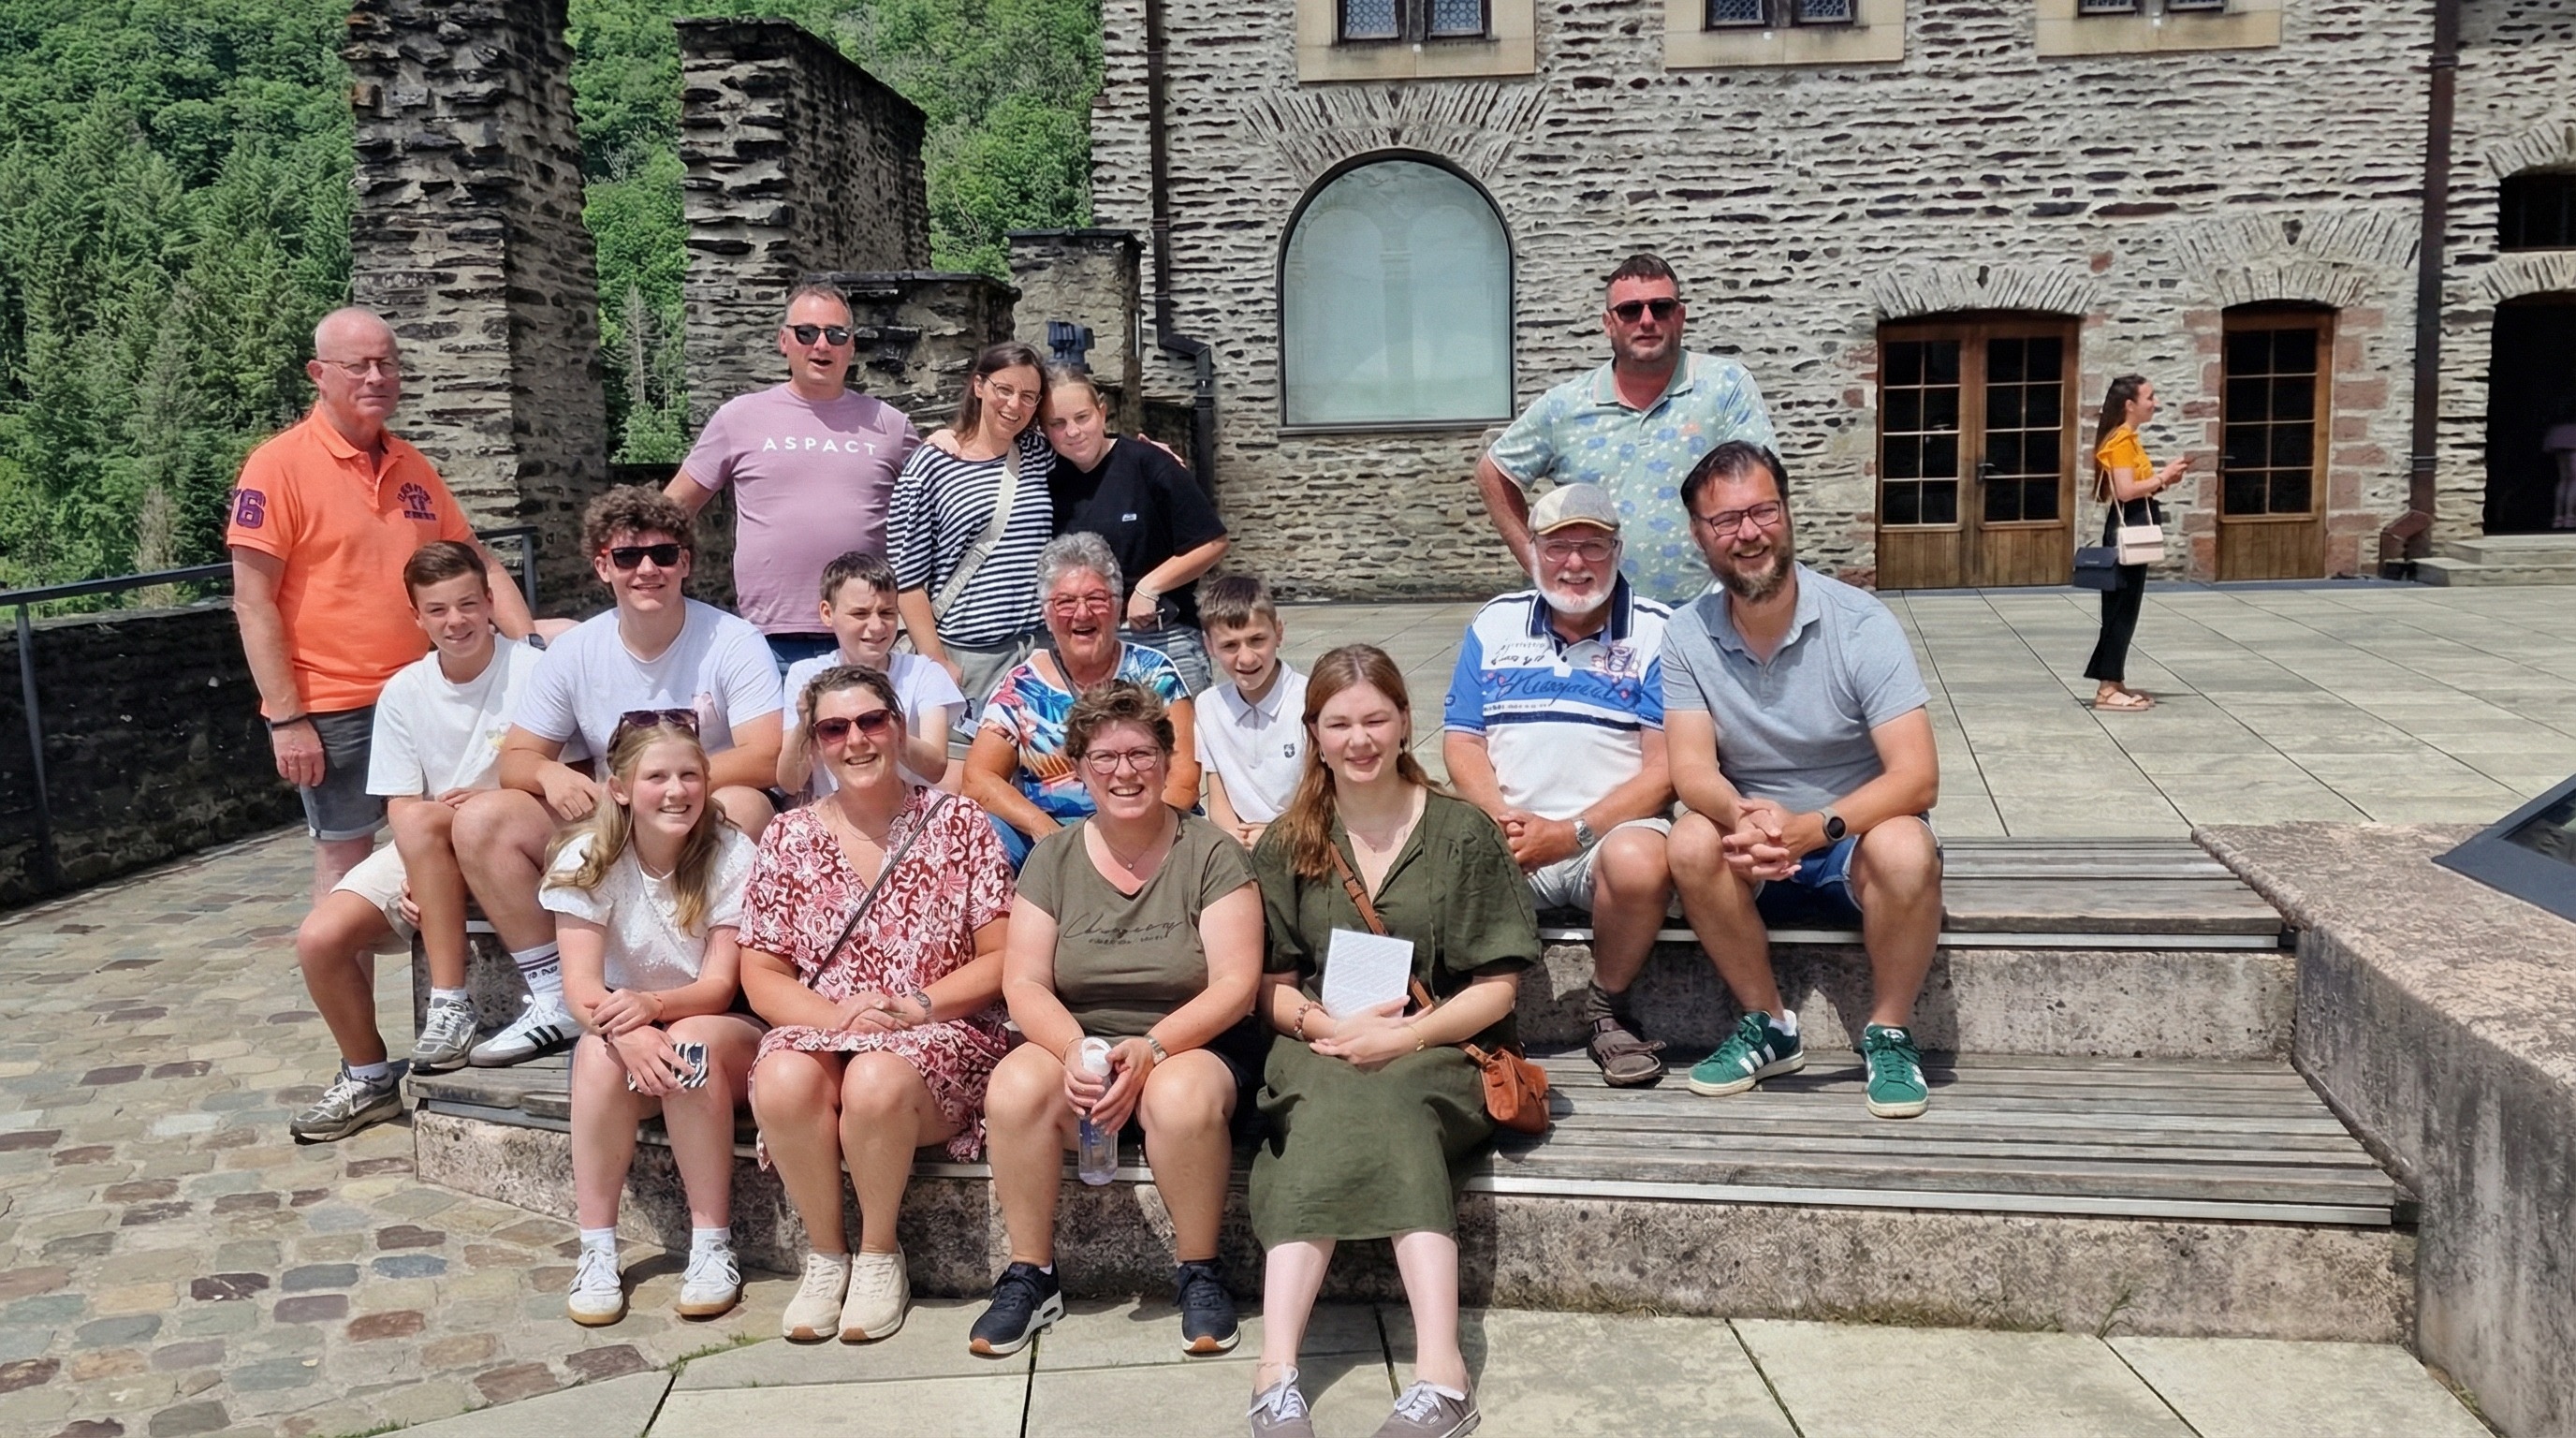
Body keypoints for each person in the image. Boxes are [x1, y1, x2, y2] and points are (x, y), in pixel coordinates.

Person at [1245, 646, 1537, 1438]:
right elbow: (1270, 985)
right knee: (1325, 1098)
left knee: (1396, 1100)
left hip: (1440, 1043)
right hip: (1320, 1038)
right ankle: (1276, 1372)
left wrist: (1405, 1038)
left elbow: (1497, 990)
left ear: (1406, 722)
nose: (1360, 739)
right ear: (1314, 733)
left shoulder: (1462, 832)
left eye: (1376, 719)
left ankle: (1442, 1373)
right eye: (1340, 723)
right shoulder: (1289, 842)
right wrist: (1334, 1029)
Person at [970, 682, 1265, 1358]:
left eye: (1140, 755)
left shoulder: (1211, 853)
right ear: (1077, 768)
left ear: (1166, 761)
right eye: (1104, 758)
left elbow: (1236, 984)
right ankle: (1030, 1275)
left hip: (1192, 1040)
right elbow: (1023, 980)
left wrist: (1153, 1047)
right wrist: (1075, 1048)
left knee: (1180, 1095)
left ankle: (1199, 1270)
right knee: (1013, 1088)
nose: (1124, 772)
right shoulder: (1052, 859)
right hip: (1082, 1038)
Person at [452, 487, 783, 1069]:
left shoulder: (733, 640)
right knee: (482, 819)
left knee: (746, 806)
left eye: (663, 554)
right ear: (603, 566)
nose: (647, 569)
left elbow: (766, 754)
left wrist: (658, 786)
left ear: (685, 561)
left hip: (693, 816)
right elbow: (517, 759)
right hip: (613, 815)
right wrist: (550, 772)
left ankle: (719, 982)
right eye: (628, 557)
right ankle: (557, 996)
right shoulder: (576, 651)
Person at [1661, 442, 1943, 1122]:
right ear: (1699, 534)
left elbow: (1917, 777)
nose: (1749, 533)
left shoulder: (1861, 623)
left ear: (1787, 513)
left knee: (1908, 847)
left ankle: (1889, 1031)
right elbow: (1691, 768)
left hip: (1854, 840)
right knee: (1689, 841)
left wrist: (1814, 829)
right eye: (1726, 520)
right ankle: (1770, 1025)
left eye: (1763, 511)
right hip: (1755, 847)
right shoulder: (1686, 634)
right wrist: (1742, 817)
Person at [738, 666, 1013, 1343]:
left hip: (939, 1026)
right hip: (827, 1025)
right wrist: (836, 1017)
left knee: (875, 1076)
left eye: (871, 721)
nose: (855, 740)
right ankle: (826, 1255)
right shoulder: (788, 837)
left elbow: (1002, 956)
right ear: (815, 744)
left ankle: (880, 1254)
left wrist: (916, 1005)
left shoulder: (958, 823)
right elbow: (762, 974)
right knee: (782, 1075)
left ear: (897, 726)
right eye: (834, 729)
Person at [227, 306, 534, 911]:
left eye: (388, 364)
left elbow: (480, 563)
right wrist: (287, 719)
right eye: (358, 365)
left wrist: (530, 653)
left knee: (446, 844)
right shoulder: (277, 466)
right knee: (345, 863)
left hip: (426, 694)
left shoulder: (410, 462)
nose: (376, 377)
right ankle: (342, 967)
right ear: (318, 373)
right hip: (334, 705)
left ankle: (449, 974)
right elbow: (252, 600)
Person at [285, 540, 550, 1142]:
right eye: (437, 610)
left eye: (467, 604)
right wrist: (424, 870)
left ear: (490, 602)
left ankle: (449, 1001)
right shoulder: (405, 690)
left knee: (456, 820)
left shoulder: (534, 672)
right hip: (430, 839)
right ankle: (368, 1076)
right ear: (417, 618)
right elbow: (402, 804)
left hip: (515, 832)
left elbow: (572, 774)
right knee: (320, 939)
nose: (455, 621)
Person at [1442, 482, 1677, 1088]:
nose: (1574, 563)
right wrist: (1500, 820)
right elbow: (1462, 741)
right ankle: (1479, 1021)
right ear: (1533, 551)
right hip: (1513, 832)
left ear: (1617, 550)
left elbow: (1664, 769)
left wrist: (1571, 834)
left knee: (1642, 858)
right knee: (1427, 858)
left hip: (1608, 836)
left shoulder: (1659, 631)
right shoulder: (1495, 622)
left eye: (1592, 546)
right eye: (1557, 546)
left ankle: (1606, 1009)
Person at [546, 716, 762, 1327]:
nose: (676, 790)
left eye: (690, 775)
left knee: (689, 1045)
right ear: (618, 788)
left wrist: (653, 1009)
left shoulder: (729, 851)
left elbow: (719, 987)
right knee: (594, 1054)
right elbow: (581, 988)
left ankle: (711, 1244)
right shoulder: (588, 856)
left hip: (720, 1027)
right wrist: (630, 1028)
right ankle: (596, 1249)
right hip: (629, 1026)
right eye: (656, 777)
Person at [1475, 253, 1778, 606]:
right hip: (1605, 622)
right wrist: (1543, 570)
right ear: (1609, 323)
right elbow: (1493, 472)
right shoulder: (1565, 406)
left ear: (1680, 316)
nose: (1646, 320)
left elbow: (1763, 486)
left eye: (1660, 308)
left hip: (1713, 615)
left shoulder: (1725, 388)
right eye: (1630, 310)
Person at [665, 281, 922, 671]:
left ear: (852, 346)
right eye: (807, 333)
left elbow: (937, 512)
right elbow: (672, 510)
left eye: (836, 335)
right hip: (769, 642)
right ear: (783, 341)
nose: (822, 345)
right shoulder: (740, 417)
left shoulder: (891, 425)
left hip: (864, 635)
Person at [965, 533, 1198, 867]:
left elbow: (1184, 779)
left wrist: (1137, 839)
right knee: (983, 834)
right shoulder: (1021, 686)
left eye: (1096, 599)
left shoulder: (1155, 674)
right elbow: (978, 777)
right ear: (1046, 613)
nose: (1082, 613)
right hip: (1054, 838)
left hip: (1146, 826)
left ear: (1117, 606)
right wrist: (1047, 831)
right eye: (1065, 602)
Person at [889, 341, 1057, 712]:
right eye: (1004, 389)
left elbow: (1094, 457)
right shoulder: (930, 466)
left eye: (1028, 396)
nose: (1014, 405)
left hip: (1040, 651)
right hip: (968, 658)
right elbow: (907, 578)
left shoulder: (1038, 453)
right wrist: (936, 661)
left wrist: (1150, 454)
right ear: (979, 386)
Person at [1041, 365, 1229, 693]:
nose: (1073, 431)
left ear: (1102, 412)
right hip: (1087, 644)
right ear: (1043, 430)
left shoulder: (1149, 463)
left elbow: (1212, 541)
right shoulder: (1046, 481)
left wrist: (1149, 587)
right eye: (1058, 424)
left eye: (1082, 417)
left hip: (1162, 635)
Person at [779, 550, 966, 796]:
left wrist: (892, 733)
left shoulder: (924, 672)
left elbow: (936, 768)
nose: (877, 626)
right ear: (827, 613)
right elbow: (790, 783)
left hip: (908, 810)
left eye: (887, 613)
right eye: (860, 614)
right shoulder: (805, 675)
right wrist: (805, 724)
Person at [2086, 375, 2189, 712]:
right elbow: (2125, 491)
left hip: (2135, 520)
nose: (2155, 403)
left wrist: (2165, 480)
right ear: (2130, 405)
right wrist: (2162, 476)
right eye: (2150, 397)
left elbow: (2136, 487)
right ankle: (2106, 688)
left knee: (2125, 607)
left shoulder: (2130, 439)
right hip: (2126, 525)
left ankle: (2114, 680)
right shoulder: (2120, 441)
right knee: (2120, 608)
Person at [1193, 576, 1308, 849]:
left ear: (1278, 632)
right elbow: (1218, 796)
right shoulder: (1209, 705)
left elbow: (1322, 793)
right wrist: (1235, 837)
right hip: (1240, 841)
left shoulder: (1310, 699)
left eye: (1257, 640)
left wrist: (1274, 837)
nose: (1246, 658)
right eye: (1229, 645)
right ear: (1209, 646)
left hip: (1303, 835)